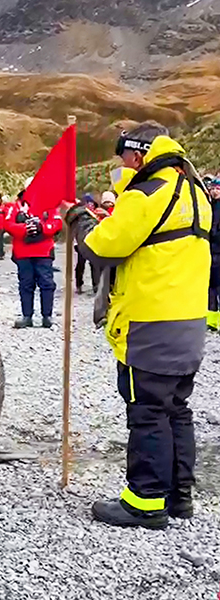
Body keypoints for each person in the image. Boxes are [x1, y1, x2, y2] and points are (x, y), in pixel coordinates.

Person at [66, 121, 212, 529]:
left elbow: (101, 247)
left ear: (139, 153)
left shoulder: (147, 192)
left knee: (147, 411)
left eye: (126, 157)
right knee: (176, 410)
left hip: (150, 322)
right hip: (189, 321)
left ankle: (145, 501)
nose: (123, 165)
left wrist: (78, 217)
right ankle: (178, 497)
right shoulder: (195, 191)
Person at [5, 191, 62, 328]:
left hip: (43, 251)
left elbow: (57, 223)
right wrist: (25, 229)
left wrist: (41, 227)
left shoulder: (49, 207)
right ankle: (27, 316)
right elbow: (7, 224)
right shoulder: (15, 207)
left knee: (47, 283)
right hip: (23, 252)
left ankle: (47, 316)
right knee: (26, 284)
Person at [75, 193, 100, 294]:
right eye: (88, 203)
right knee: (81, 265)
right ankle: (79, 284)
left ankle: (96, 286)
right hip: (81, 242)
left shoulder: (97, 214)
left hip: (93, 242)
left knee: (94, 265)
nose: (90, 205)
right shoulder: (80, 215)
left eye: (91, 203)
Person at [206, 177, 220, 331]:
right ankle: (211, 321)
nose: (214, 191)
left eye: (217, 189)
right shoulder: (209, 206)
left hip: (218, 251)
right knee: (211, 288)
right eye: (213, 189)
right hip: (210, 251)